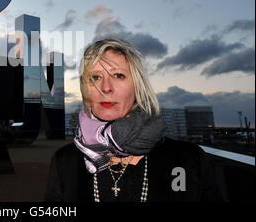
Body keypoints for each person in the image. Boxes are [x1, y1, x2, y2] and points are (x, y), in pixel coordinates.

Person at [44, 38, 224, 202]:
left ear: (137, 87)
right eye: (95, 77)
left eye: (118, 75)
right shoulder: (65, 161)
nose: (105, 88)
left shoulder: (188, 159)